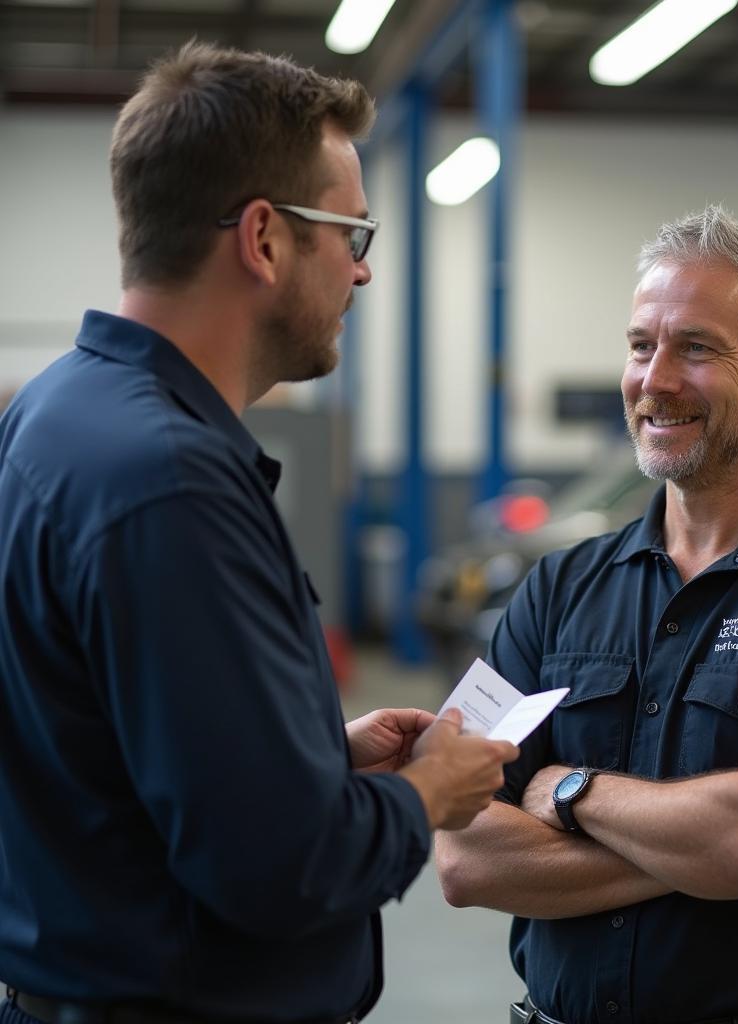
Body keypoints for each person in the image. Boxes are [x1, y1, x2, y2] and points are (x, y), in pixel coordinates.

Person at [0, 41, 518, 1024]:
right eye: (352, 233)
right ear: (265, 238)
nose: (362, 274)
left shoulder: (55, 411)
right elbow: (281, 866)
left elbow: (124, 744)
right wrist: (425, 795)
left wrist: (313, 755)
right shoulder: (171, 480)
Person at [436, 207, 738, 1024]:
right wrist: (717, 831)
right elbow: (461, 853)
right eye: (641, 345)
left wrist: (566, 789)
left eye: (696, 348)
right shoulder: (556, 589)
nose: (654, 379)